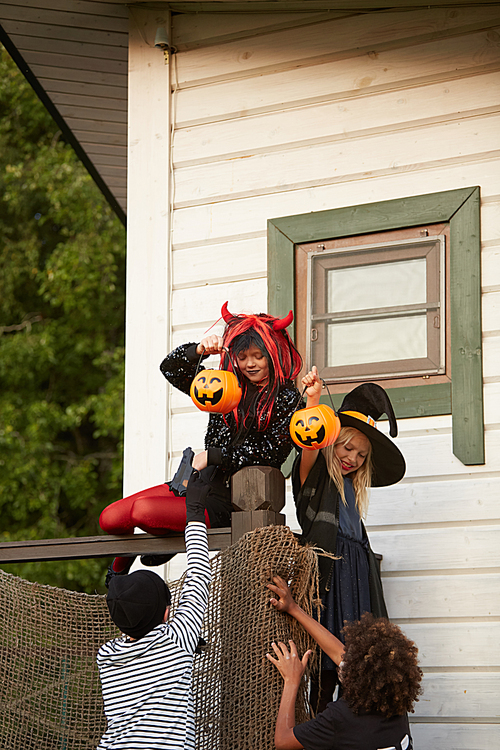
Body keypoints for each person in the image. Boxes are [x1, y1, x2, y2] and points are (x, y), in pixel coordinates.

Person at [99, 301, 303, 575]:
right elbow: (170, 369)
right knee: (109, 518)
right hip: (192, 483)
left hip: (227, 502)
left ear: (272, 353)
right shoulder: (224, 385)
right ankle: (142, 549)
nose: (249, 364)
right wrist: (199, 350)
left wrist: (214, 456)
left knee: (141, 512)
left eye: (258, 356)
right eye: (242, 357)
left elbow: (273, 452)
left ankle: (137, 558)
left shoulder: (287, 398)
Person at [293, 367, 406, 710]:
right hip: (331, 578)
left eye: (361, 455)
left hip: (357, 579)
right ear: (332, 441)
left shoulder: (352, 492)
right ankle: (322, 729)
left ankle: (353, 735)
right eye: (347, 447)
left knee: (359, 670)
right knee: (328, 669)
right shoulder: (315, 474)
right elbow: (310, 439)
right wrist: (313, 399)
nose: (352, 459)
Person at [96, 478, 211, 749]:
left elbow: (123, 606)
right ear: (167, 613)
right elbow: (199, 576)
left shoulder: (107, 656)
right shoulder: (175, 639)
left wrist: (118, 572)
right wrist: (194, 512)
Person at [266, 576, 422, 750]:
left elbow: (283, 741)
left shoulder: (341, 717)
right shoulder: (394, 701)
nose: (341, 660)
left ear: (356, 676)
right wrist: (293, 608)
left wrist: (291, 681)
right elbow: (339, 653)